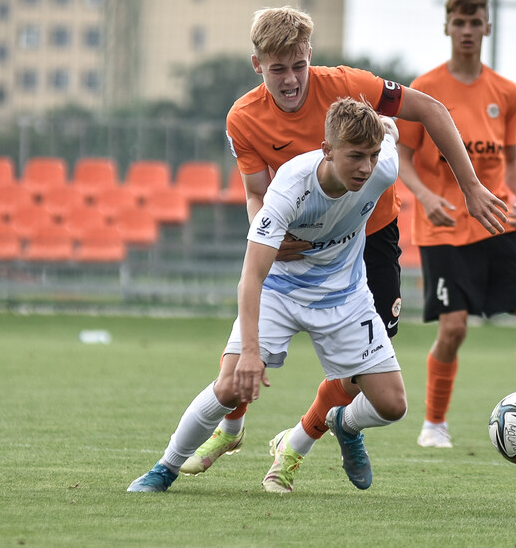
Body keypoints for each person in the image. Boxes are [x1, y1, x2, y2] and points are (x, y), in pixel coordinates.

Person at [181, 6, 507, 492]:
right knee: (252, 342)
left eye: (299, 65)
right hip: (298, 243)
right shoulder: (244, 118)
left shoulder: (348, 85)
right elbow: (255, 191)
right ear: (258, 65)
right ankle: (231, 427)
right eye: (278, 69)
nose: (291, 79)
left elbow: (432, 110)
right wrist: (265, 230)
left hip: (370, 237)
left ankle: (317, 433)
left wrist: (472, 187)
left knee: (368, 368)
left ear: (310, 55)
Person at [127, 99, 408, 494]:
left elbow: (393, 135)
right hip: (280, 289)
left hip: (344, 296)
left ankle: (342, 423)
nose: (365, 167)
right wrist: (252, 354)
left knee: (393, 405)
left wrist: (389, 133)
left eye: (372, 156)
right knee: (229, 386)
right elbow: (251, 276)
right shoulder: (291, 186)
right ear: (327, 150)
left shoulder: (383, 169)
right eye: (355, 156)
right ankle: (164, 469)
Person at [396, 0, 516, 450]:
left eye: (476, 23)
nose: (468, 31)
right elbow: (402, 156)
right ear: (447, 27)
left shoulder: (506, 92)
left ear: (488, 27)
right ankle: (434, 424)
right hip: (445, 226)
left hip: (495, 221)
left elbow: (511, 161)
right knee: (453, 328)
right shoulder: (426, 87)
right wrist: (425, 195)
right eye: (460, 22)